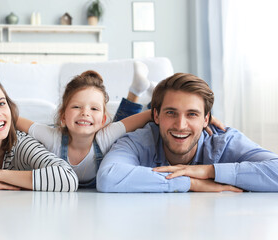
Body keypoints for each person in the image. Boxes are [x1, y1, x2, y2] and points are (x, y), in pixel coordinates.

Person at [15, 64, 224, 188]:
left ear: (103, 119)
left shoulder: (105, 135)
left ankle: (140, 91)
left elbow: (147, 117)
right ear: (62, 115)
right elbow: (16, 119)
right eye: (77, 107)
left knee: (123, 124)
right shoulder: (51, 137)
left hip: (114, 126)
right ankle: (137, 90)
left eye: (94, 109)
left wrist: (195, 117)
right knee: (120, 123)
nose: (85, 113)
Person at [97, 72, 278, 193]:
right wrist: (190, 182)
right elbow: (108, 177)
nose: (181, 125)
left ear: (206, 119)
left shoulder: (223, 141)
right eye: (171, 113)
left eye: (192, 114)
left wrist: (209, 171)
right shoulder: (140, 140)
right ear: (156, 116)